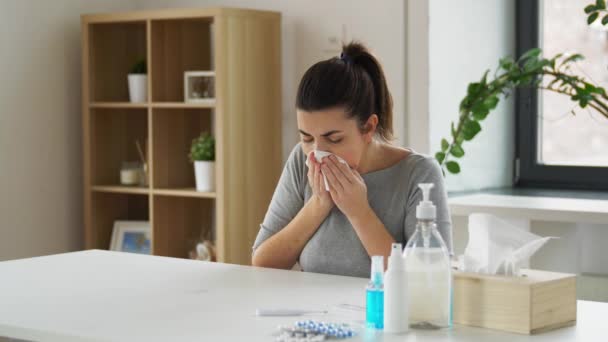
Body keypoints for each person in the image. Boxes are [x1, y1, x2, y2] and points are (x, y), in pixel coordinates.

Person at [251, 41, 452, 278]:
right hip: (313, 313)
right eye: (307, 138)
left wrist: (359, 212)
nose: (317, 152)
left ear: (368, 127)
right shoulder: (300, 161)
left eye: (334, 139)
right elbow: (263, 264)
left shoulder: (419, 174)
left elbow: (430, 280)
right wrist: (318, 204)